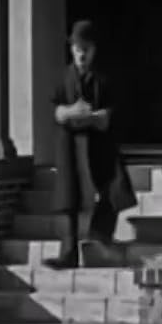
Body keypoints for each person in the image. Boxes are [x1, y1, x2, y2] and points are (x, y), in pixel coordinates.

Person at [44, 20, 137, 269]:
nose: (82, 53)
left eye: (86, 48)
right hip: (70, 144)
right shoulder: (64, 77)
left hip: (98, 141)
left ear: (94, 50)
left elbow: (111, 115)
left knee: (116, 185)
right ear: (72, 49)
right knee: (68, 195)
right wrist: (73, 111)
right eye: (77, 48)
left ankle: (100, 231)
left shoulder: (104, 79)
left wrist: (95, 117)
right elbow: (57, 112)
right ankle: (68, 252)